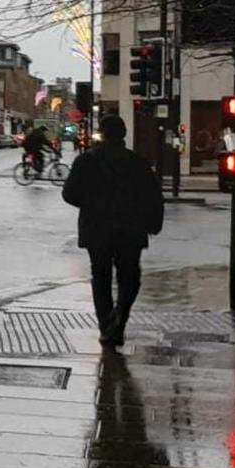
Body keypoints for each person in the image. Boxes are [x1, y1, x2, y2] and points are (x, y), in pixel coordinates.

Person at [61, 114, 163, 347]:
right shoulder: (138, 162)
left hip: (97, 229)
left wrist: (91, 204)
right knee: (130, 276)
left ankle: (107, 325)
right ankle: (120, 316)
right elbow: (153, 197)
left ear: (102, 134)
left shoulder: (86, 161)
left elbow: (69, 194)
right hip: (131, 229)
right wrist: (153, 223)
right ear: (123, 135)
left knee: (101, 276)